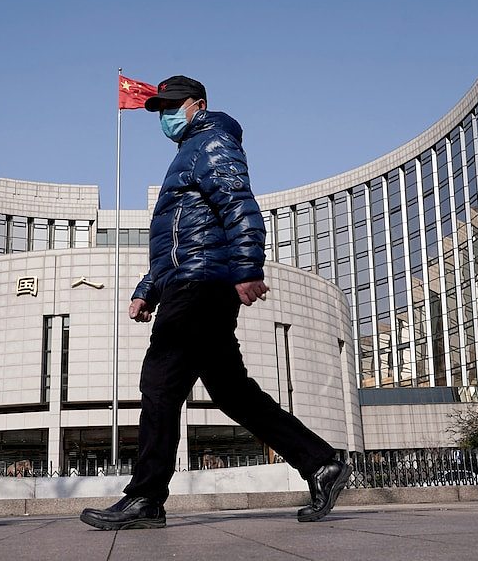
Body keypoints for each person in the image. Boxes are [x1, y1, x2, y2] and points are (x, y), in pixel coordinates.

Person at [80, 75, 351, 530]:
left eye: (171, 105)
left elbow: (239, 206)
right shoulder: (190, 151)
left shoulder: (211, 141)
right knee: (232, 392)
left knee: (161, 385)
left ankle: (146, 498)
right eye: (159, 108)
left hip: (201, 285)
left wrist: (247, 268)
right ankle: (321, 463)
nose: (164, 115)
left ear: (197, 104)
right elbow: (178, 238)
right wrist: (149, 288)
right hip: (190, 281)